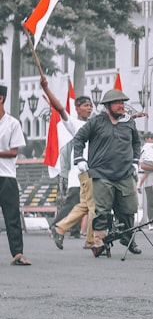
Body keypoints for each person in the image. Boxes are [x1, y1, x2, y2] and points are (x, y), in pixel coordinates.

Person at [70, 89, 143, 257]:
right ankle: (99, 241)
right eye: (118, 103)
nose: (121, 105)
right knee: (102, 210)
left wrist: (135, 161)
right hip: (101, 173)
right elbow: (79, 139)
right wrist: (80, 159)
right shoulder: (96, 121)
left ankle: (127, 237)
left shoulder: (129, 122)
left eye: (123, 102)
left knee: (128, 208)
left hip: (124, 172)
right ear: (107, 106)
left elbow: (136, 143)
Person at [40, 74, 96, 249]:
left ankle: (88, 238)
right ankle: (56, 226)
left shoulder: (95, 124)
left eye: (91, 106)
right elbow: (58, 108)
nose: (90, 109)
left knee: (90, 205)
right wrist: (46, 89)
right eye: (86, 106)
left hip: (95, 171)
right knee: (75, 202)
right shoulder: (73, 123)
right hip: (79, 172)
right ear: (77, 108)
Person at [0, 85, 30, 266]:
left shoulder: (12, 123)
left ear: (1, 99)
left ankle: (17, 253)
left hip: (6, 177)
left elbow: (13, 152)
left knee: (12, 216)